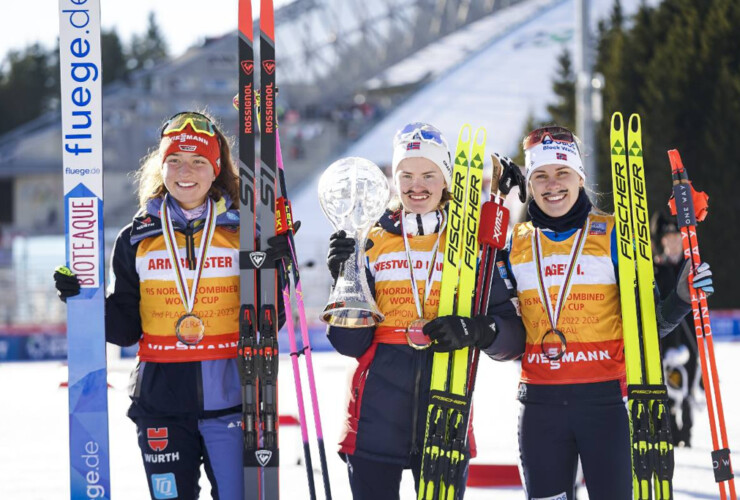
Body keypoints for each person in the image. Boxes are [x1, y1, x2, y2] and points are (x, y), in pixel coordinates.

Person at [450, 125, 713, 500]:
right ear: (530, 181)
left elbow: (647, 329)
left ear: (580, 177)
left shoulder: (616, 237)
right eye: (540, 175)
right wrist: (482, 330)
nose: (551, 184)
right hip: (539, 409)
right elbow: (509, 338)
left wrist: (681, 299)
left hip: (605, 407)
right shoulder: (514, 246)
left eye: (562, 173)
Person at [54, 111, 289, 500]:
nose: (186, 171)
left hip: (233, 398)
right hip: (160, 400)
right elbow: (127, 328)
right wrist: (83, 301)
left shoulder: (243, 231)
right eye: (175, 160)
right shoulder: (136, 237)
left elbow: (270, 322)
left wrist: (274, 269)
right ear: (161, 166)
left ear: (216, 169)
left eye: (199, 161)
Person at [325, 122, 523, 500]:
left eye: (429, 174)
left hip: (446, 420)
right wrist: (344, 279)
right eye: (407, 174)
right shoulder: (370, 240)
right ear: (394, 179)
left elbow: (512, 339)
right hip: (372, 424)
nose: (417, 185)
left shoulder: (473, 244)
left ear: (446, 179)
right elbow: (350, 343)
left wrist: (476, 330)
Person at [651, 210, 706, 447]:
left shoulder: (690, 268)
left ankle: (687, 428)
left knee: (689, 381)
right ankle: (670, 426)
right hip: (666, 335)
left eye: (677, 237)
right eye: (668, 238)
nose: (672, 242)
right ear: (662, 241)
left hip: (689, 334)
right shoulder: (655, 269)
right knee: (667, 381)